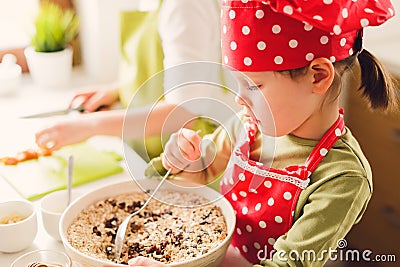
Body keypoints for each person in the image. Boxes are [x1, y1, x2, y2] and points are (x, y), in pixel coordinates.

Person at [133, 0, 398, 266]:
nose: (239, 99)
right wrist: (184, 160)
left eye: (254, 86)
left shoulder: (342, 176)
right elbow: (199, 173)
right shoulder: (246, 126)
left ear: (318, 77)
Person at [35, 0, 238, 161]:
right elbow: (163, 68)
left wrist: (90, 125)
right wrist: (116, 90)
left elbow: (184, 111)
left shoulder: (185, 6)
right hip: (150, 144)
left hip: (190, 154)